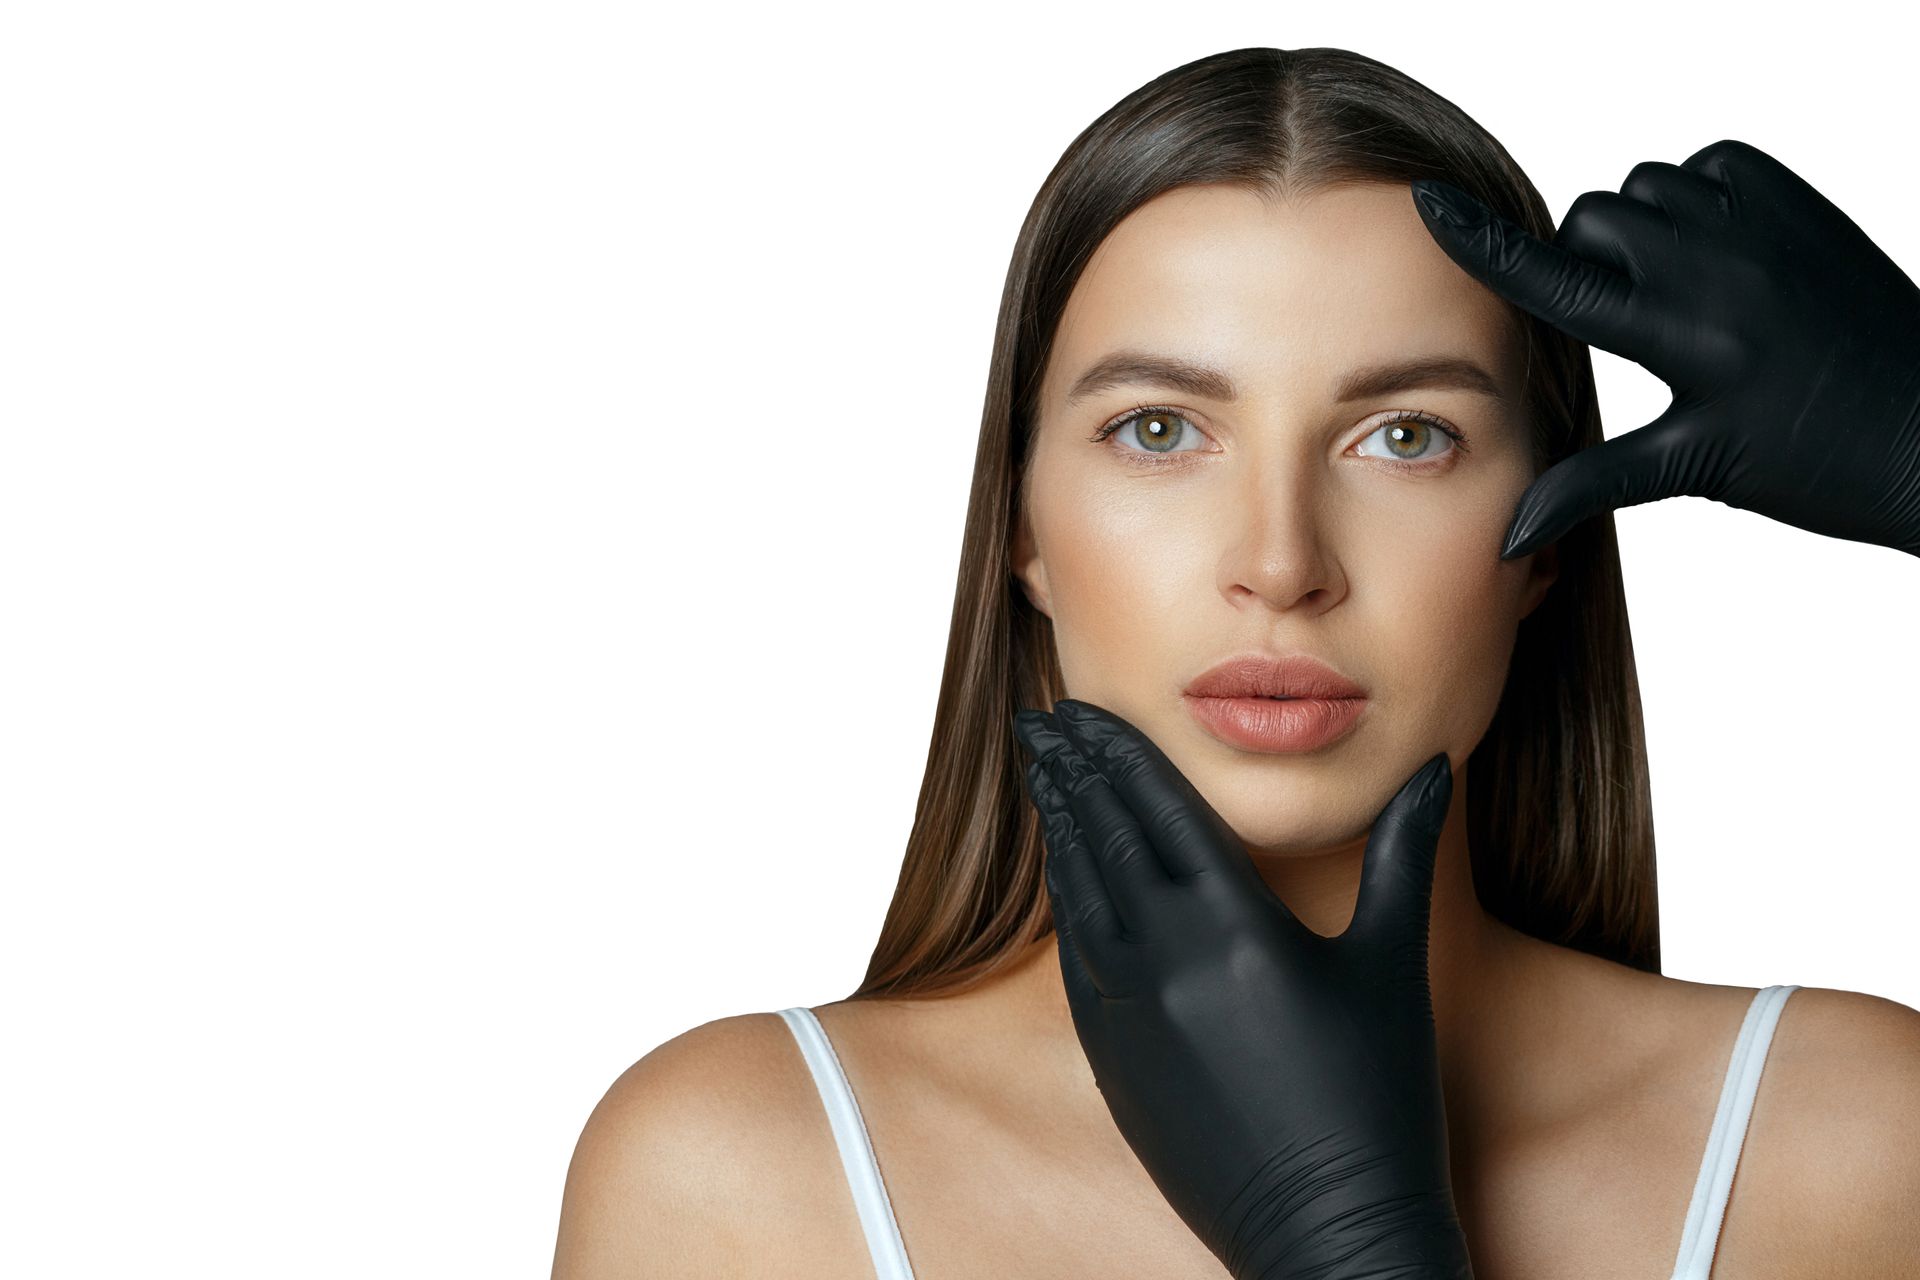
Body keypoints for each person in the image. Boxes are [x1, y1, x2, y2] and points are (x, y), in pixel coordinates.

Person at [551, 46, 1920, 1278]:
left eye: (1404, 436)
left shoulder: (1850, 1142)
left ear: (1550, 540)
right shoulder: (734, 1177)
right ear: (1021, 531)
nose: (1280, 562)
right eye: (1159, 431)